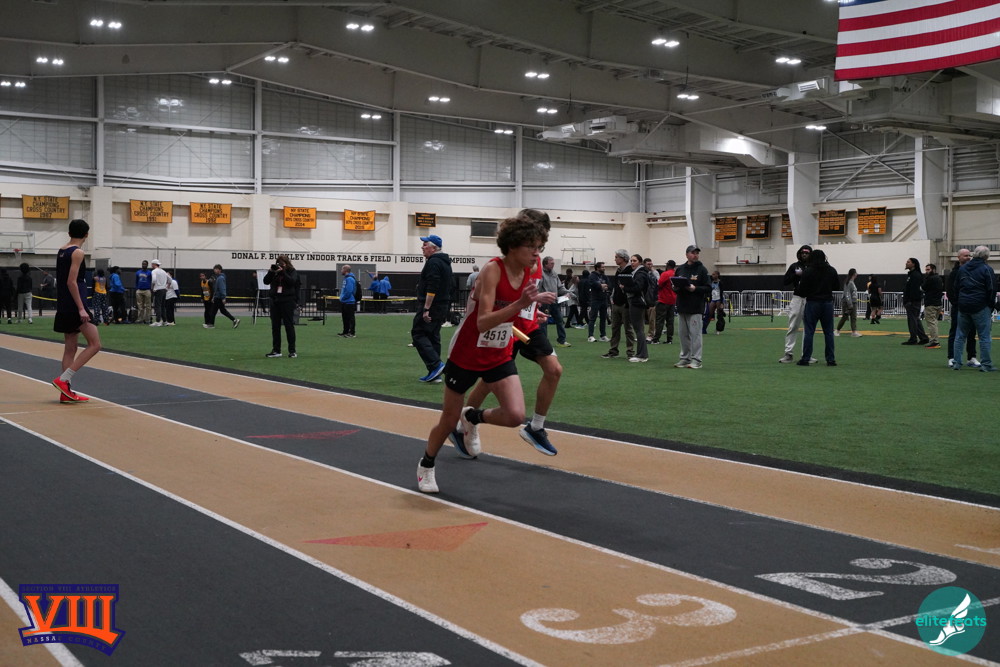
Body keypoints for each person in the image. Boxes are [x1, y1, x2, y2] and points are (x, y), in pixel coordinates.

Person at [417, 215, 554, 493]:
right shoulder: (492, 270)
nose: (537, 253)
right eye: (531, 246)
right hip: (467, 351)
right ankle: (427, 464)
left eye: (539, 247)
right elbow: (483, 322)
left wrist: (531, 311)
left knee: (515, 415)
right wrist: (520, 304)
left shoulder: (529, 270)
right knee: (447, 420)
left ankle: (473, 417)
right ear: (513, 246)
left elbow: (515, 307)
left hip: (499, 351)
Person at [51, 219, 102, 403]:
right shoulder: (77, 252)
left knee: (70, 348)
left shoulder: (62, 250)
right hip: (75, 303)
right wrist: (81, 308)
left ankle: (65, 393)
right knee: (95, 344)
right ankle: (63, 380)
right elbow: (71, 281)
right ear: (87, 235)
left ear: (69, 233)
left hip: (64, 303)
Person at [411, 234, 453, 382]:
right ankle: (435, 373)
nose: (422, 247)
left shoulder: (433, 262)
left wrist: (426, 308)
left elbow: (432, 286)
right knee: (433, 336)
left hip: (432, 305)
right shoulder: (445, 262)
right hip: (442, 304)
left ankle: (436, 365)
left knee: (418, 333)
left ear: (433, 248)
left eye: (425, 245)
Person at [951, 245, 996, 372]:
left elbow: (956, 287)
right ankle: (986, 364)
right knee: (984, 336)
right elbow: (992, 288)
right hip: (980, 306)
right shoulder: (986, 269)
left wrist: (960, 302)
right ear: (986, 256)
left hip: (963, 305)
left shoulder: (962, 268)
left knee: (960, 336)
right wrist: (990, 305)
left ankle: (957, 363)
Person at [796, 248, 838, 366]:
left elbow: (802, 291)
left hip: (813, 303)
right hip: (827, 303)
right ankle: (830, 359)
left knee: (809, 332)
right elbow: (836, 286)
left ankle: (805, 359)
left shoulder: (808, 271)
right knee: (828, 332)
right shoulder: (831, 270)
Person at [673, 245, 711, 369]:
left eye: (697, 253)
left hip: (695, 307)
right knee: (683, 335)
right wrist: (675, 287)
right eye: (693, 253)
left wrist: (695, 289)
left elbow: (708, 288)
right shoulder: (680, 269)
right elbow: (675, 285)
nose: (695, 255)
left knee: (695, 335)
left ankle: (696, 360)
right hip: (682, 306)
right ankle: (685, 358)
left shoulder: (702, 270)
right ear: (687, 254)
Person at [778, 244, 812, 363]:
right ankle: (788, 353)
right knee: (793, 326)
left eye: (807, 253)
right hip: (797, 298)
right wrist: (795, 275)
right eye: (803, 253)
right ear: (799, 254)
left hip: (810, 299)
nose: (804, 255)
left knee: (809, 328)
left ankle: (806, 355)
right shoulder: (794, 266)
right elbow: (785, 281)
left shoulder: (814, 267)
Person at [946, 250, 978, 367]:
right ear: (959, 257)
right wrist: (957, 304)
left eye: (969, 255)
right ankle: (952, 357)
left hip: (971, 306)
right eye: (965, 256)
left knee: (972, 332)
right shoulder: (954, 273)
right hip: (958, 307)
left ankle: (972, 357)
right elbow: (950, 291)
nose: (968, 257)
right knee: (955, 332)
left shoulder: (973, 271)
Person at [601, 249, 636, 359]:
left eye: (616, 257)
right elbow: (616, 287)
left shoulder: (630, 270)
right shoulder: (618, 270)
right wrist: (612, 298)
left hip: (626, 304)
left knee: (628, 329)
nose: (615, 259)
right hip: (616, 303)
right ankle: (613, 350)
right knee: (614, 328)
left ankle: (630, 352)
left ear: (623, 258)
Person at [264, 255, 299, 358]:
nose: (280, 265)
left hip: (287, 301)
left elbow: (292, 282)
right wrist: (271, 272)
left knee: (289, 326)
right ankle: (276, 350)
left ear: (287, 263)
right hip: (275, 301)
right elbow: (265, 281)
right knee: (275, 326)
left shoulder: (292, 271)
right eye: (278, 263)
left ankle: (292, 351)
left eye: (282, 264)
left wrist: (283, 272)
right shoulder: (274, 272)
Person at [622, 253, 652, 362]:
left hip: (637, 302)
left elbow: (638, 288)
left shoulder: (640, 273)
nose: (632, 262)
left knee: (639, 329)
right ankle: (642, 354)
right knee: (639, 329)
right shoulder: (639, 272)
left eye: (634, 261)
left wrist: (625, 288)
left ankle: (642, 355)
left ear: (640, 262)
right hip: (636, 302)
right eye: (631, 260)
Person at [539, 256, 570, 347]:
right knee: (543, 323)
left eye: (553, 263)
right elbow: (537, 288)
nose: (553, 265)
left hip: (555, 302)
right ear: (545, 264)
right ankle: (544, 343)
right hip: (545, 303)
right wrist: (538, 300)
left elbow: (560, 287)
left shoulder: (554, 274)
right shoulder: (540, 274)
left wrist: (567, 293)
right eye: (551, 263)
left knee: (560, 320)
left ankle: (562, 341)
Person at [901, 258, 928, 345]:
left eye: (908, 262)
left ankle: (913, 338)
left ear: (914, 264)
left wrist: (910, 300)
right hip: (912, 301)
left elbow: (915, 290)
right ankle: (923, 338)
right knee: (915, 319)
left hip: (913, 301)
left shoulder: (915, 275)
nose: (906, 263)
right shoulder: (912, 275)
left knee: (912, 320)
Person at [651, 260, 676, 344]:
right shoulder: (675, 273)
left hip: (663, 299)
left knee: (660, 320)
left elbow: (659, 284)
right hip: (672, 300)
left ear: (668, 265)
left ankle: (656, 339)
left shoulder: (665, 274)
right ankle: (669, 339)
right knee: (670, 321)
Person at [211, 264, 240, 328]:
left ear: (219, 270)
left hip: (218, 297)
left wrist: (223, 297)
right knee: (222, 311)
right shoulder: (218, 278)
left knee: (214, 311)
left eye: (215, 269)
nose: (214, 270)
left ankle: (211, 324)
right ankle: (235, 320)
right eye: (214, 269)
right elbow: (217, 289)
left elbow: (222, 288)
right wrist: (214, 297)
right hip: (217, 297)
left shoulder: (220, 278)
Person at [922, 263, 944, 349]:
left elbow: (923, 288)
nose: (926, 271)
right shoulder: (939, 278)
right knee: (934, 322)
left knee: (931, 323)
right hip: (938, 303)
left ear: (933, 270)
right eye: (926, 270)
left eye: (928, 269)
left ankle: (935, 341)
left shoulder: (930, 279)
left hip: (931, 303)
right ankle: (934, 340)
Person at [835, 268, 862, 337]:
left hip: (854, 302)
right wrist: (850, 304)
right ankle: (837, 330)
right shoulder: (849, 283)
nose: (857, 274)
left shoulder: (852, 282)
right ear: (854, 274)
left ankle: (854, 332)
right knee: (844, 317)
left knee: (853, 318)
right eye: (856, 272)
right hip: (848, 303)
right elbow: (847, 294)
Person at [586, 261, 609, 342]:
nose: (604, 268)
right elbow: (592, 284)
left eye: (604, 267)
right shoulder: (592, 276)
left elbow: (609, 284)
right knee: (593, 318)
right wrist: (600, 285)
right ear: (597, 268)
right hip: (595, 299)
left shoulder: (604, 276)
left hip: (604, 299)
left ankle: (603, 335)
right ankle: (590, 336)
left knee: (603, 318)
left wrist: (605, 286)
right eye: (602, 267)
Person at [703, 270, 725, 335]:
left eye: (714, 274)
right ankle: (703, 329)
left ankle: (718, 329)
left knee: (719, 314)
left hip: (719, 299)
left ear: (717, 275)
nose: (712, 276)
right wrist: (709, 300)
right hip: (713, 299)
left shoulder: (720, 283)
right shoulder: (711, 282)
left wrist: (721, 302)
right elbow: (710, 291)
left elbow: (721, 292)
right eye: (712, 274)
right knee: (709, 314)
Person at [338, 264, 358, 338]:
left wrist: (343, 298)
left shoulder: (349, 279)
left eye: (342, 269)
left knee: (350, 318)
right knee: (345, 318)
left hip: (349, 302)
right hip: (345, 301)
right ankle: (345, 331)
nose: (341, 271)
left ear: (345, 270)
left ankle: (352, 333)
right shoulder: (346, 278)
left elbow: (349, 291)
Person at [643, 258, 659, 341]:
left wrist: (653, 271)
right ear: (644, 264)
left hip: (652, 298)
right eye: (648, 264)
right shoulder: (642, 273)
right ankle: (641, 335)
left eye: (651, 264)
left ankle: (651, 335)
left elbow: (659, 281)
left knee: (652, 319)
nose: (650, 266)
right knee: (641, 319)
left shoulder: (654, 273)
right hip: (642, 299)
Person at [149, 259, 169, 326]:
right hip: (164, 290)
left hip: (158, 290)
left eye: (152, 264)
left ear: (154, 264)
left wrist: (153, 287)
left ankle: (158, 321)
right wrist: (166, 287)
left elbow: (154, 280)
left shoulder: (154, 271)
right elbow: (170, 280)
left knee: (158, 306)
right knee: (163, 306)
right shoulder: (163, 271)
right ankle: (165, 321)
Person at [135, 260, 152, 324]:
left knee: (148, 306)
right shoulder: (138, 272)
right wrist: (137, 288)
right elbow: (136, 281)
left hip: (147, 290)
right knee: (140, 306)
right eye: (143, 264)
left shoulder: (150, 273)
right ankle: (140, 319)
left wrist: (151, 289)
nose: (143, 265)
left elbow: (152, 281)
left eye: (145, 264)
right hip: (139, 290)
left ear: (147, 265)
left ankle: (147, 319)